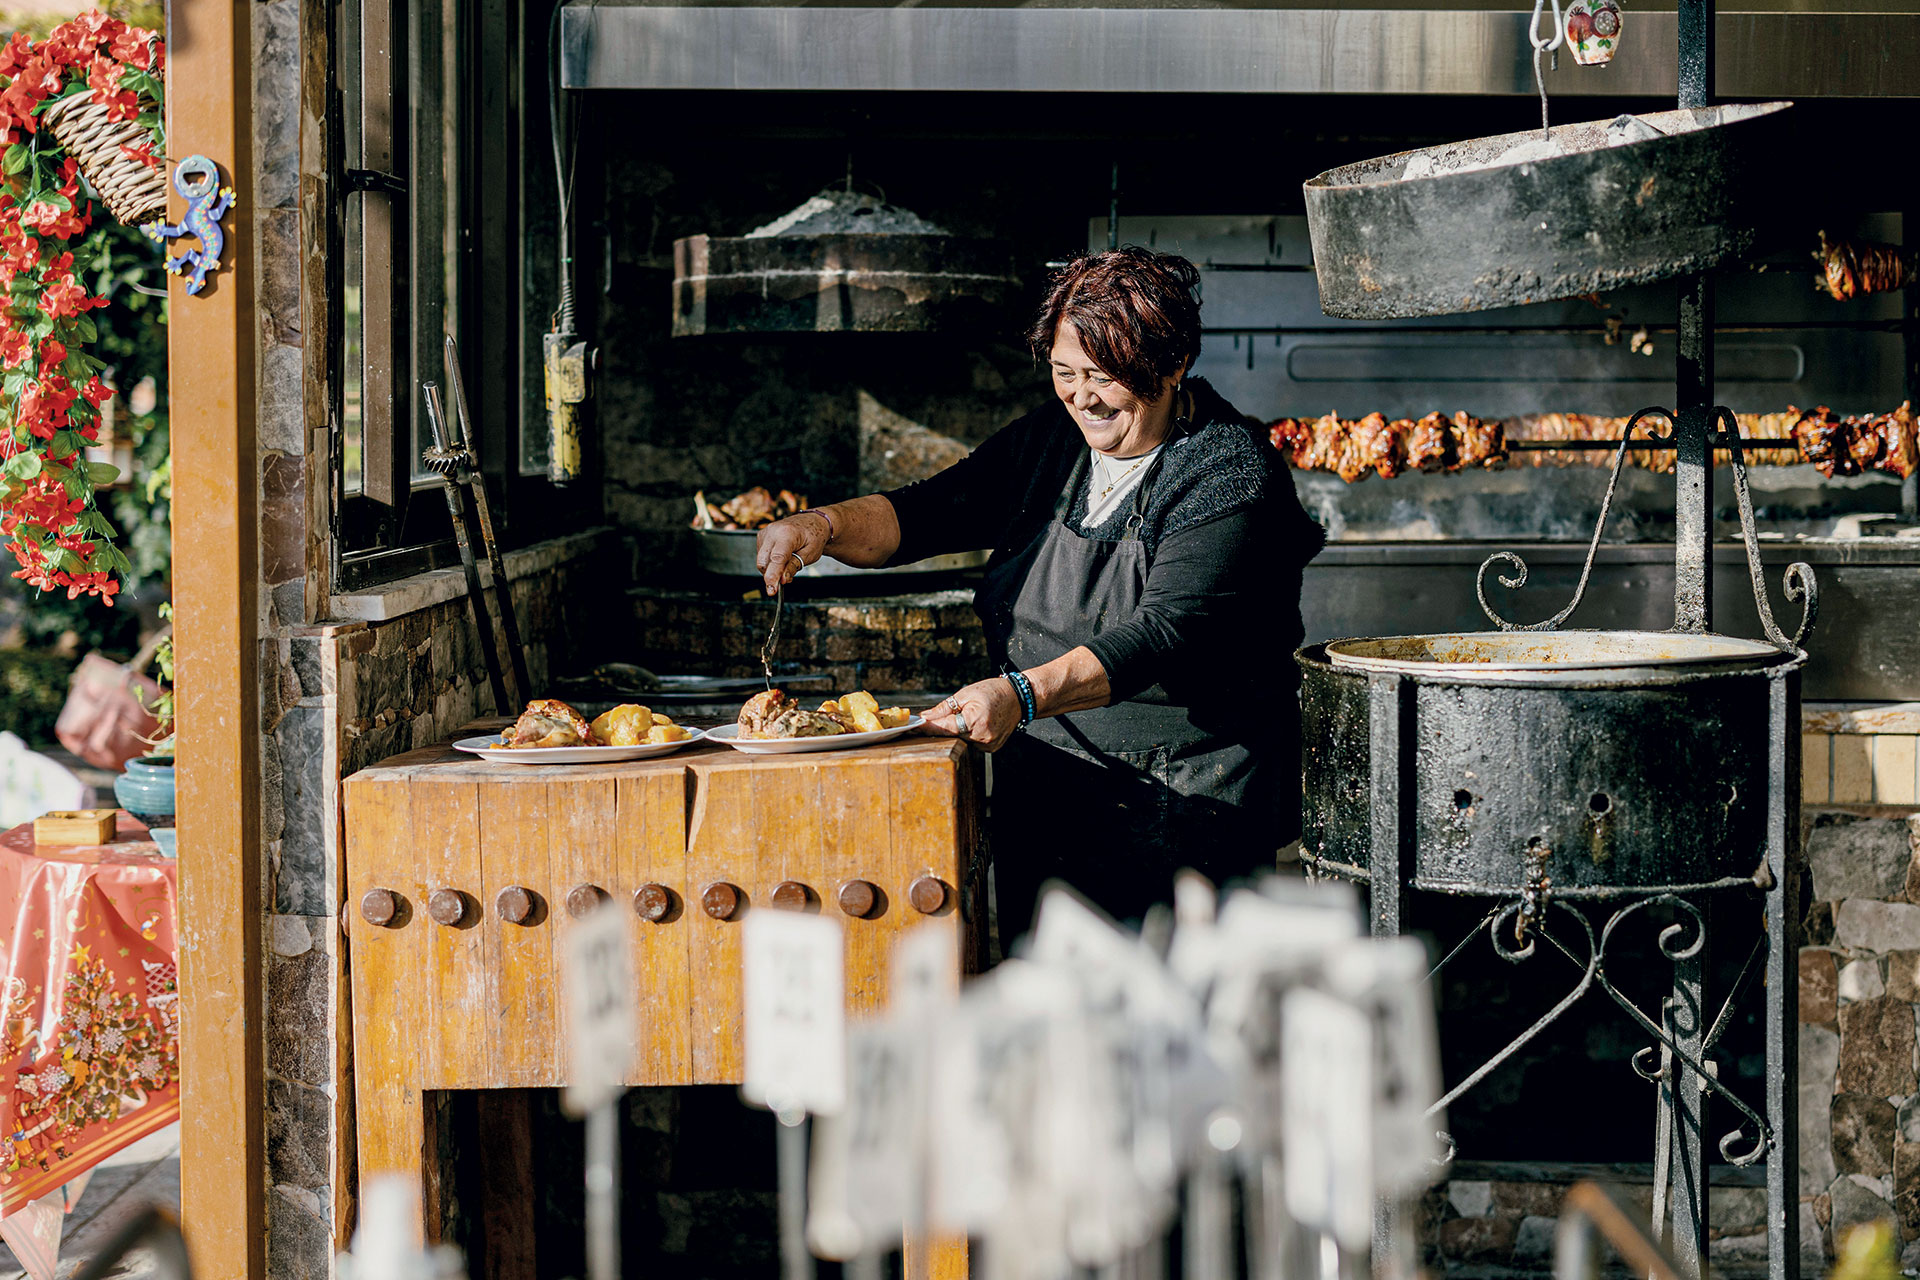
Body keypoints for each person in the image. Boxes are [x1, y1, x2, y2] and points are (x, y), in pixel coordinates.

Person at [755, 246, 1324, 941]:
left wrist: (1020, 695)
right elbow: (933, 508)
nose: (1082, 396)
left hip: (1186, 812)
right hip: (1051, 800)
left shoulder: (1229, 472)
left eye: (1104, 376)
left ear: (1173, 365)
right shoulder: (1054, 444)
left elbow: (1166, 633)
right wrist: (824, 523)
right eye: (1064, 372)